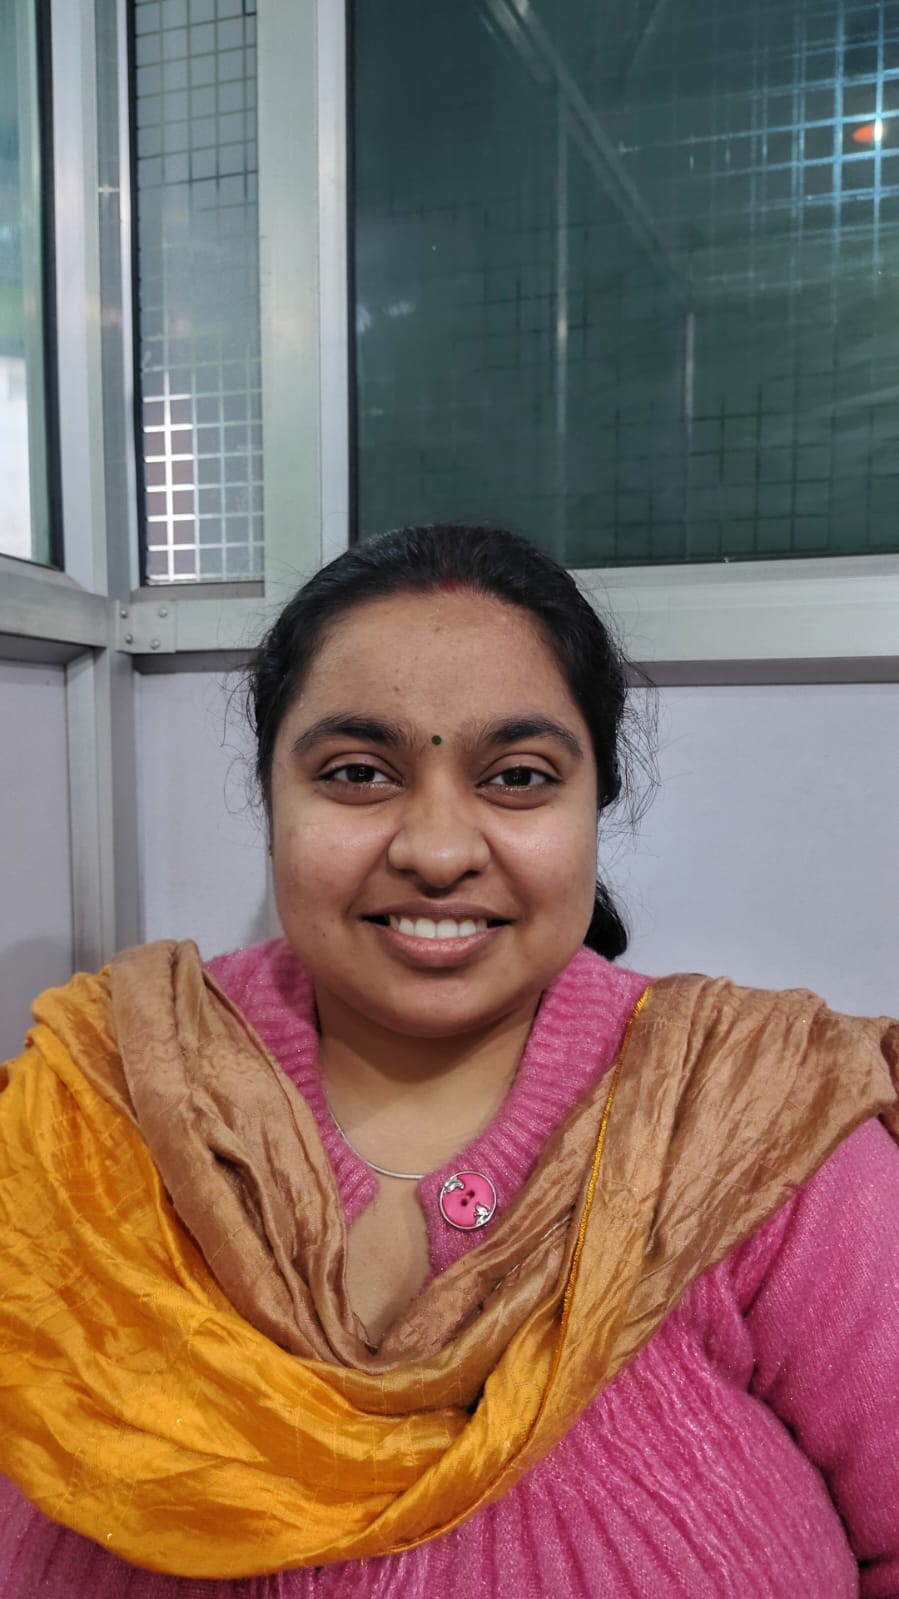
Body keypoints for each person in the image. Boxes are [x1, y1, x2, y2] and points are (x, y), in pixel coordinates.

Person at [0, 523, 897, 1598]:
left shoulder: (758, 1129)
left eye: (516, 777)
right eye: (356, 773)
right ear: (272, 801)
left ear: (593, 806)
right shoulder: (94, 1108)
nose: (435, 850)